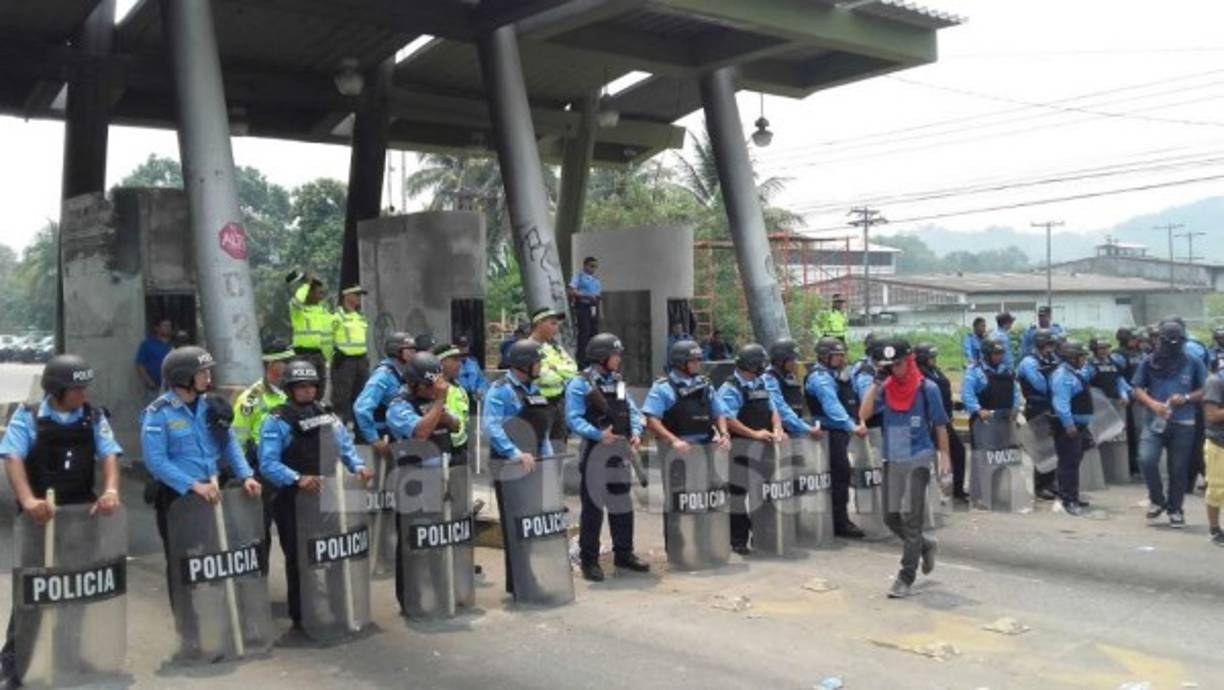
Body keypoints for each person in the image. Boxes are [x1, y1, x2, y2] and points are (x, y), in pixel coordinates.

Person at [0, 355, 122, 685]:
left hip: (81, 514)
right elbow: (12, 458)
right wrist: (27, 500)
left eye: (85, 387)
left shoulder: (93, 417)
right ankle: (14, 663)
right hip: (40, 517)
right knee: (33, 592)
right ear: (57, 390)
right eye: (77, 388)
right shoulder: (27, 417)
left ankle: (70, 655)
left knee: (76, 589)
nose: (84, 394)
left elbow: (109, 453)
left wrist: (110, 490)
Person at [258, 359, 370, 630]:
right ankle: (302, 616)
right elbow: (268, 463)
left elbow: (344, 445)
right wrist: (297, 479)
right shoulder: (277, 420)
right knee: (299, 558)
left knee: (333, 552)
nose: (308, 391)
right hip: (292, 500)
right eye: (301, 387)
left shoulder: (327, 415)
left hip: (328, 494)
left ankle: (338, 608)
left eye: (311, 386)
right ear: (289, 388)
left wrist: (359, 466)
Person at [141, 346, 262, 595]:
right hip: (179, 495)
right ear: (184, 377)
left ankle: (218, 613)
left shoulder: (212, 406)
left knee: (218, 558)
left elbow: (229, 443)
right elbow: (156, 462)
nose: (208, 377)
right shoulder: (158, 414)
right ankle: (189, 625)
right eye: (202, 373)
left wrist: (247, 475)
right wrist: (195, 486)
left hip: (214, 489)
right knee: (182, 561)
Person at [858, 339, 950, 599]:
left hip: (919, 456)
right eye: (890, 366)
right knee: (889, 516)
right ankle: (924, 545)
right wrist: (876, 383)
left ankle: (905, 576)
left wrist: (945, 457)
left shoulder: (927, 388)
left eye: (898, 364)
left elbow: (941, 425)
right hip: (893, 456)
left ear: (908, 361)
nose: (894, 370)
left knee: (911, 520)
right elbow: (863, 414)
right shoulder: (885, 388)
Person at [565, 333, 649, 581]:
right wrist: (598, 434)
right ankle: (589, 560)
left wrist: (635, 431)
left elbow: (631, 410)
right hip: (595, 450)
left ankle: (624, 553)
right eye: (615, 355)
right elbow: (573, 418)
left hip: (620, 448)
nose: (619, 359)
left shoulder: (618, 382)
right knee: (593, 509)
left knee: (622, 502)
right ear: (602, 357)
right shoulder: (580, 383)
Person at [386, 352, 460, 605]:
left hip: (440, 477)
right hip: (411, 481)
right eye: (428, 386)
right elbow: (420, 433)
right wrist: (439, 402)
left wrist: (442, 406)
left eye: (435, 385)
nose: (433, 390)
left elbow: (456, 425)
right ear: (413, 383)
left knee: (438, 539)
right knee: (412, 543)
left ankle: (442, 596)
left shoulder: (435, 399)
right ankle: (411, 601)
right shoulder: (399, 405)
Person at [482, 340, 554, 595]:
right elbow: (491, 427)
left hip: (534, 463)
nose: (541, 366)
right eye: (538, 362)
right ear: (525, 365)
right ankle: (523, 583)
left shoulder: (534, 389)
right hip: (509, 465)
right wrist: (514, 453)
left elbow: (541, 427)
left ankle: (524, 580)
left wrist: (548, 457)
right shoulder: (500, 390)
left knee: (530, 525)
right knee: (516, 527)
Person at [1131, 320, 1207, 528]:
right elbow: (1137, 388)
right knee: (1146, 459)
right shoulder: (1149, 361)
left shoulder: (1193, 362)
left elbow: (1205, 389)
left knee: (1178, 469)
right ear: (1160, 340)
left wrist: (1186, 398)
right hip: (1154, 421)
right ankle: (1157, 500)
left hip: (1184, 423)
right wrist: (1153, 404)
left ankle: (1176, 510)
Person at [719, 343, 786, 555]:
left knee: (764, 492)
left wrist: (777, 427)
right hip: (741, 447)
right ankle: (738, 540)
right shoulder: (731, 388)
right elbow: (728, 418)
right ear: (751, 364)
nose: (763, 366)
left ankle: (763, 535)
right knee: (739, 495)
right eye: (760, 362)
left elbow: (772, 408)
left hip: (764, 446)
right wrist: (754, 434)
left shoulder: (760, 383)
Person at [804, 337, 868, 539]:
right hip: (827, 434)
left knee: (840, 476)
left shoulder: (838, 374)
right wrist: (852, 425)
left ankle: (837, 519)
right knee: (839, 475)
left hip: (840, 432)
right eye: (837, 355)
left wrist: (858, 420)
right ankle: (839, 522)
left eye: (842, 355)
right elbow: (832, 406)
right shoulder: (820, 378)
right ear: (824, 356)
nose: (841, 359)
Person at [642, 340, 731, 454]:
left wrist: (724, 434)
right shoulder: (664, 387)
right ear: (680, 362)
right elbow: (652, 420)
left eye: (699, 359)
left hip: (706, 449)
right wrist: (673, 440)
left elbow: (719, 413)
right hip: (676, 451)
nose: (698, 363)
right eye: (693, 360)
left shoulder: (706, 385)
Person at [915, 344, 967, 502]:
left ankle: (957, 490)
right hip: (929, 422)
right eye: (931, 357)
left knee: (958, 451)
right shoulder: (918, 375)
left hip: (943, 419)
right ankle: (932, 494)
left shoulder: (935, 371)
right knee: (931, 457)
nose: (934, 360)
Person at [232, 336, 295, 465]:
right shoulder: (251, 399)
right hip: (264, 462)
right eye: (286, 361)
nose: (292, 366)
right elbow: (238, 438)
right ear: (271, 365)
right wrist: (245, 473)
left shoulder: (295, 391)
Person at [1050, 340, 1094, 516]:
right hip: (1069, 427)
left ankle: (1072, 495)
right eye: (1081, 356)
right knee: (1068, 463)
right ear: (1072, 358)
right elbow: (1061, 403)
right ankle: (1068, 500)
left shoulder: (1074, 373)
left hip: (1078, 426)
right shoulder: (1062, 376)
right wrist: (1068, 424)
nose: (1083, 359)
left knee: (1073, 462)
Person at [353, 332, 416, 450]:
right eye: (409, 349)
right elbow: (361, 407)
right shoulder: (383, 375)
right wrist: (374, 439)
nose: (414, 353)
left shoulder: (406, 372)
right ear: (396, 351)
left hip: (401, 435)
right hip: (384, 436)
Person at [1017, 328, 1060, 500]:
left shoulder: (1051, 359)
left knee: (1053, 447)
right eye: (1048, 344)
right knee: (1042, 448)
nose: (1051, 347)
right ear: (1041, 344)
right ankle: (1041, 485)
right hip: (1037, 408)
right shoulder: (1029, 362)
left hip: (1052, 407)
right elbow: (1041, 385)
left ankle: (1051, 483)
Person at [962, 339, 1022, 461]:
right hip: (984, 421)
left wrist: (1016, 407)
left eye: (1001, 353)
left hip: (1004, 420)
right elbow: (967, 394)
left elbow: (1015, 391)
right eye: (996, 354)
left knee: (1003, 460)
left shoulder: (1006, 370)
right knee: (983, 462)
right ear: (987, 354)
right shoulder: (975, 371)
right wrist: (978, 410)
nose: (999, 356)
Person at [529, 307, 578, 449]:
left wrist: (553, 369)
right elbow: (540, 377)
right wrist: (559, 373)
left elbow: (573, 369)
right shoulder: (527, 348)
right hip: (538, 403)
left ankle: (557, 472)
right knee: (540, 446)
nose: (556, 328)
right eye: (553, 323)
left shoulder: (555, 347)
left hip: (559, 402)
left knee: (560, 445)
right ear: (539, 323)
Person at [763, 338, 823, 442]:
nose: (794, 363)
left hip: (794, 432)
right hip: (779, 435)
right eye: (791, 360)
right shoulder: (769, 379)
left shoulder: (789, 376)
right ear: (780, 360)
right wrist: (806, 428)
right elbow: (780, 408)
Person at [286, 271, 334, 401]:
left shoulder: (322, 311)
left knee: (319, 390)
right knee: (302, 390)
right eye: (318, 292)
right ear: (309, 293)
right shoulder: (297, 309)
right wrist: (307, 284)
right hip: (303, 356)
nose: (321, 296)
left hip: (319, 356)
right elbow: (297, 300)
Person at [330, 285, 370, 427]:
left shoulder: (360, 316)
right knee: (342, 398)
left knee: (362, 396)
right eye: (357, 295)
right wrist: (333, 357)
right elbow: (327, 338)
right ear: (347, 296)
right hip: (345, 361)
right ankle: (340, 431)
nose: (359, 298)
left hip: (361, 361)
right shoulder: (337, 316)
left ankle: (360, 431)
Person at [1113, 327, 1146, 475]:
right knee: (1130, 432)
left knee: (1141, 431)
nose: (1137, 341)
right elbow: (1118, 377)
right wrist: (1128, 392)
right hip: (1128, 398)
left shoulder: (1140, 353)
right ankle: (1130, 464)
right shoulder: (1118, 355)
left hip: (1142, 397)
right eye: (1133, 338)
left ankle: (1140, 462)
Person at [433, 343, 473, 464]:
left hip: (460, 451)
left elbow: (465, 421)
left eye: (460, 360)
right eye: (454, 360)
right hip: (439, 451)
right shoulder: (431, 388)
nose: (459, 364)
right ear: (440, 362)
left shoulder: (460, 389)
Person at [1200, 366, 1224, 545]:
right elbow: (1212, 414)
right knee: (1217, 489)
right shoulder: (1215, 382)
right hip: (1219, 444)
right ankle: (1214, 529)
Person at [568, 256, 602, 365]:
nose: (593, 269)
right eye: (591, 266)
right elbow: (572, 291)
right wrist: (587, 296)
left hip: (593, 307)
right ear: (585, 265)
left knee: (594, 331)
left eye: (595, 267)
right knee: (584, 331)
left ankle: (593, 355)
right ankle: (582, 357)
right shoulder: (579, 277)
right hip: (582, 305)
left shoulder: (596, 281)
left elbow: (598, 294)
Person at [1084, 337, 1132, 403]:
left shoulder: (1115, 362)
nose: (1104, 351)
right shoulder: (1089, 365)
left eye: (1106, 348)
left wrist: (1124, 394)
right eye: (1101, 348)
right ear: (1094, 350)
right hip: (1097, 403)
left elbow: (1119, 379)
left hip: (1115, 401)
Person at [135, 316, 174, 398]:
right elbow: (139, 364)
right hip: (154, 388)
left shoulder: (172, 345)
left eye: (169, 326)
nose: (168, 328)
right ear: (157, 328)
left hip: (171, 388)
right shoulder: (148, 344)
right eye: (165, 326)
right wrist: (150, 382)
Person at [455, 335, 488, 400]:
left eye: (465, 345)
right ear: (457, 347)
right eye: (461, 346)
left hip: (473, 398)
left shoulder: (473, 363)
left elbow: (481, 380)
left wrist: (481, 390)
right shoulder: (453, 363)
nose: (463, 348)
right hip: (458, 397)